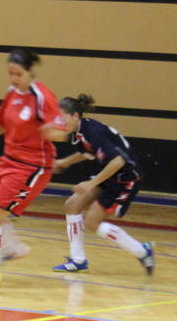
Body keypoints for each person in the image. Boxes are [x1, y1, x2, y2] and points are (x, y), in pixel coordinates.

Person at [0, 48, 65, 283]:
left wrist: (51, 132)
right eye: (10, 74)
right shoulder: (12, 93)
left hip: (32, 166)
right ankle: (11, 249)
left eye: (18, 74)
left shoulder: (42, 96)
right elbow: (2, 123)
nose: (14, 79)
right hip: (8, 160)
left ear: (30, 71)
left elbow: (62, 133)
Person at [50, 93, 155, 274]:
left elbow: (118, 161)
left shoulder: (94, 132)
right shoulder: (80, 131)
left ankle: (142, 251)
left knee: (92, 222)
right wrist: (64, 162)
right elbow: (88, 152)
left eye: (62, 118)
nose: (59, 123)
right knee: (72, 205)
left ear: (75, 116)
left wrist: (91, 184)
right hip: (109, 174)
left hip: (125, 178)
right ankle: (78, 259)